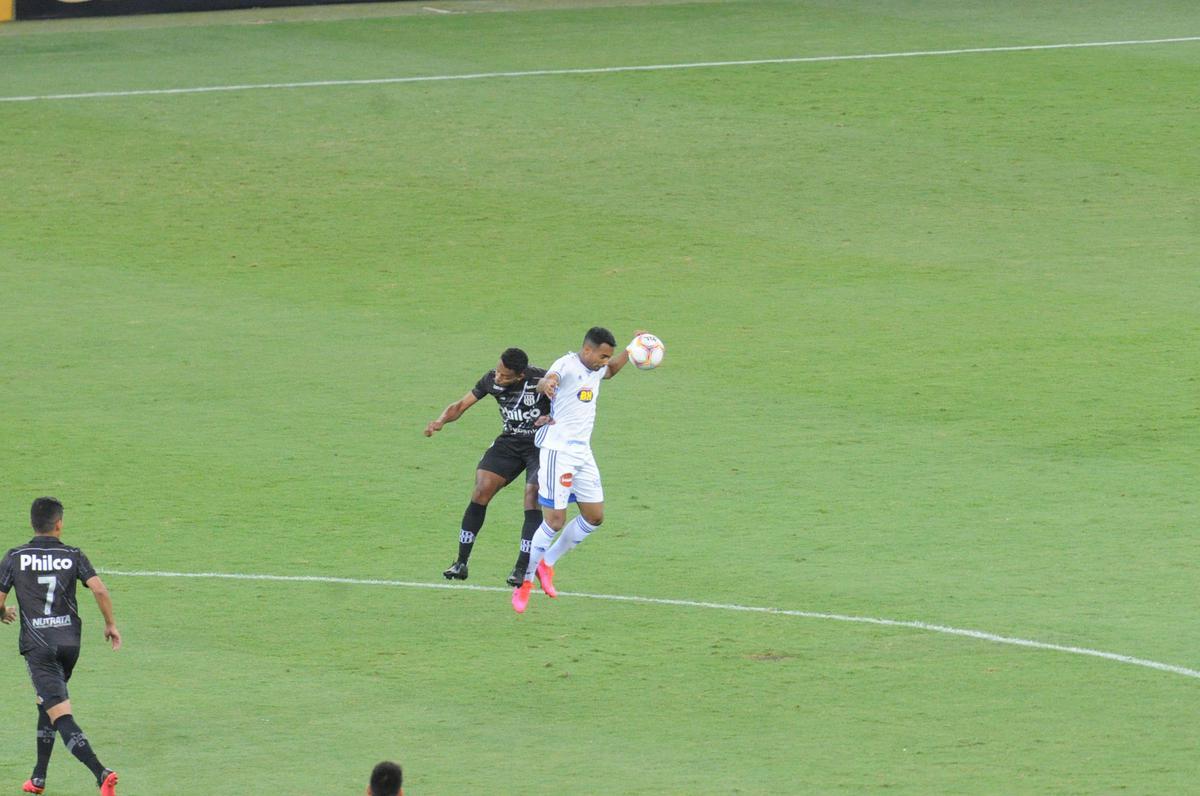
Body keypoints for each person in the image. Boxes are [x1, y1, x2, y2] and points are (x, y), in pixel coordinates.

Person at [0, 497, 121, 796]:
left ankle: (100, 772)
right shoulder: (73, 554)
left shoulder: (15, 557)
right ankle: (38, 778)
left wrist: (4, 613)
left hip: (39, 647)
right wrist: (110, 624)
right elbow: (100, 589)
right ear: (59, 524)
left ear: (32, 524)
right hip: (69, 644)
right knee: (47, 703)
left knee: (60, 713)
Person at [511, 327, 637, 613]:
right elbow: (548, 380)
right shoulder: (566, 365)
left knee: (594, 517)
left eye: (608, 356)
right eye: (602, 356)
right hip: (559, 451)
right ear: (587, 350)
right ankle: (525, 582)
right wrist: (547, 385)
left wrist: (632, 348)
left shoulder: (597, 368)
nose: (605, 361)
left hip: (582, 452)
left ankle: (547, 563)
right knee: (554, 521)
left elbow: (612, 370)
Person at [425, 347, 551, 586]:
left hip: (542, 445)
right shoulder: (491, 379)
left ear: (520, 376)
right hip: (511, 441)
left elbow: (570, 406)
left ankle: (521, 569)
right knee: (481, 490)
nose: (498, 377)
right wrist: (440, 421)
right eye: (498, 371)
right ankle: (461, 562)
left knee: (532, 496)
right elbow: (460, 405)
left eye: (505, 376)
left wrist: (552, 419)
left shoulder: (541, 381)